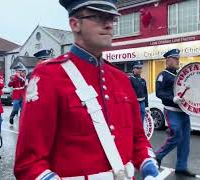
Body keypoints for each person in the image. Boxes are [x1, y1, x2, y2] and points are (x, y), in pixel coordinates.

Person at [14, 1, 159, 180]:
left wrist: (148, 164)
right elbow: (29, 164)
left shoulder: (121, 79)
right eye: (98, 17)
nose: (108, 25)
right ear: (75, 24)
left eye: (111, 18)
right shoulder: (48, 76)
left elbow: (138, 138)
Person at [155, 49, 196, 177]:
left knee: (185, 141)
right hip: (172, 110)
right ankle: (157, 156)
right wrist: (172, 99)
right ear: (168, 60)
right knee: (177, 134)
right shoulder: (163, 75)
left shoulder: (180, 75)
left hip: (184, 111)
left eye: (178, 58)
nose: (178, 60)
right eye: (175, 58)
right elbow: (159, 93)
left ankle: (181, 167)